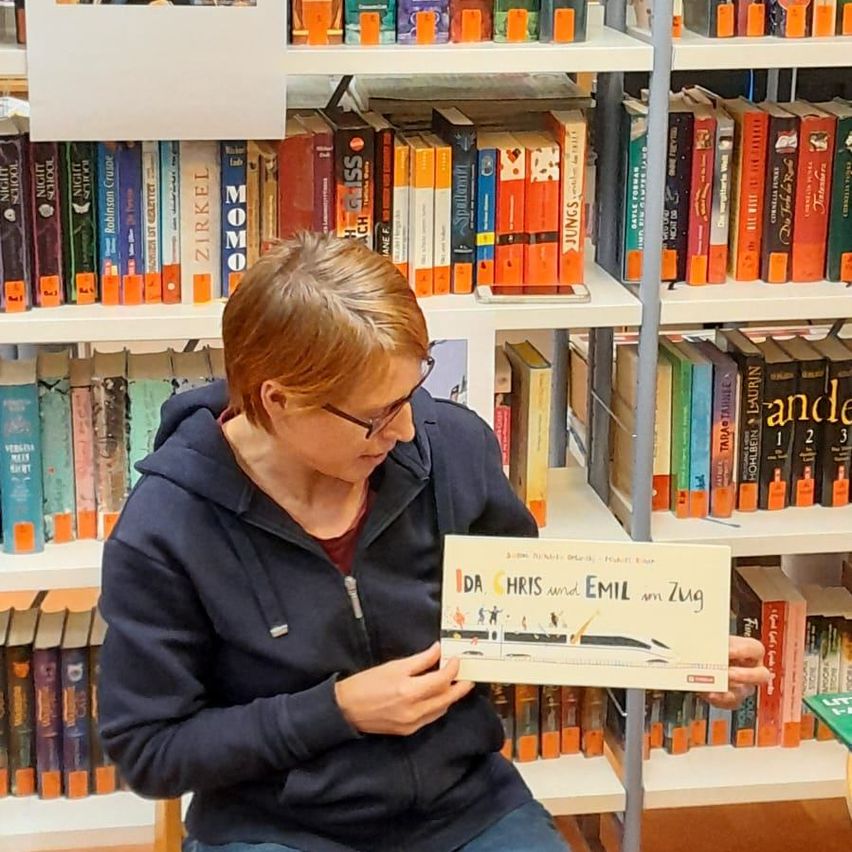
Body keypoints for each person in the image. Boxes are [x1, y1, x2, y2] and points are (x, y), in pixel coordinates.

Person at [99, 233, 769, 852]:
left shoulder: (452, 449)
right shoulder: (166, 527)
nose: (407, 429)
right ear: (277, 401)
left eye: (412, 392)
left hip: (465, 808)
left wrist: (678, 651)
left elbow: (540, 615)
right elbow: (150, 751)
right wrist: (336, 712)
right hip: (276, 828)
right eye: (376, 414)